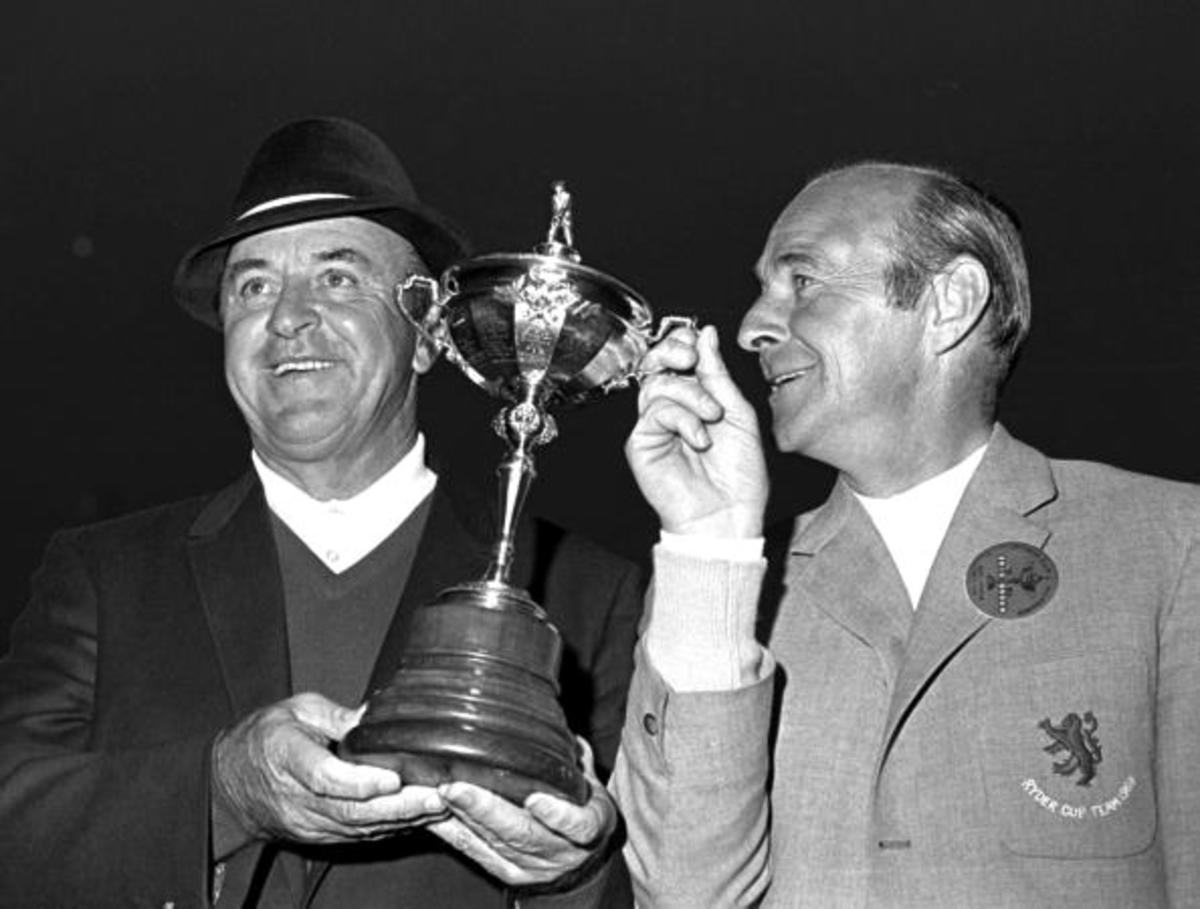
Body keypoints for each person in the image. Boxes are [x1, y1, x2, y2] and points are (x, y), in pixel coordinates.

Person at [0, 117, 643, 908]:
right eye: (254, 286)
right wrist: (223, 791)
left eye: (338, 278)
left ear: (426, 338)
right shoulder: (102, 573)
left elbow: (666, 883)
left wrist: (569, 874)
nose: (289, 316)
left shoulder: (591, 598)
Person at [611, 162, 1200, 907]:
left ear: (948, 302)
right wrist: (710, 540)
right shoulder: (717, 583)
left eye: (802, 280)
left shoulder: (1173, 547)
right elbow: (681, 892)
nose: (752, 326)